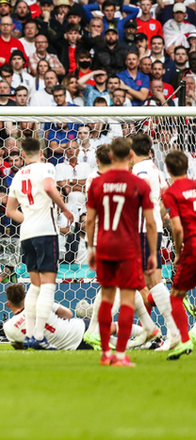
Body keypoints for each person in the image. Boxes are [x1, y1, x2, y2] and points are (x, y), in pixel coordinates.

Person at [86, 137, 157, 367]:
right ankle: (119, 356)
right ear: (129, 156)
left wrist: (91, 247)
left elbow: (89, 220)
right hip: (128, 247)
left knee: (106, 300)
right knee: (127, 301)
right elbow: (150, 223)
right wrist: (153, 253)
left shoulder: (97, 183)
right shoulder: (139, 184)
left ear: (109, 157)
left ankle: (105, 353)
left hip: (104, 245)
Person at [5, 138, 74, 350]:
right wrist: (64, 208)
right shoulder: (47, 167)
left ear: (23, 155)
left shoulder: (17, 175)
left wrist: (29, 220)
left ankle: (31, 336)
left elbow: (9, 211)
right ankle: (38, 336)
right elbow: (48, 187)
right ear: (41, 152)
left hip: (27, 234)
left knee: (35, 285)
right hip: (45, 232)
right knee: (48, 285)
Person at [130, 133, 180, 351]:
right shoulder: (155, 169)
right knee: (143, 284)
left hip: (142, 230)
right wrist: (158, 216)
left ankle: (173, 332)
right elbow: (167, 195)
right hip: (150, 228)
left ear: (131, 152)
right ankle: (151, 331)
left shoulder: (139, 171)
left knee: (152, 283)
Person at [3, 284, 145, 350]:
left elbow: (19, 347)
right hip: (75, 329)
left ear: (8, 304)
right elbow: (68, 314)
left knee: (109, 343)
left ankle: (146, 345)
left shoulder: (8, 327)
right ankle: (146, 333)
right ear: (26, 297)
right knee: (109, 329)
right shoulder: (40, 303)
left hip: (71, 347)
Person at [162, 150, 196, 360]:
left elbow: (177, 228)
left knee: (176, 296)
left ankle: (184, 341)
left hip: (192, 245)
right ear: (187, 166)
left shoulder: (170, 192)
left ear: (168, 169)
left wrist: (177, 252)